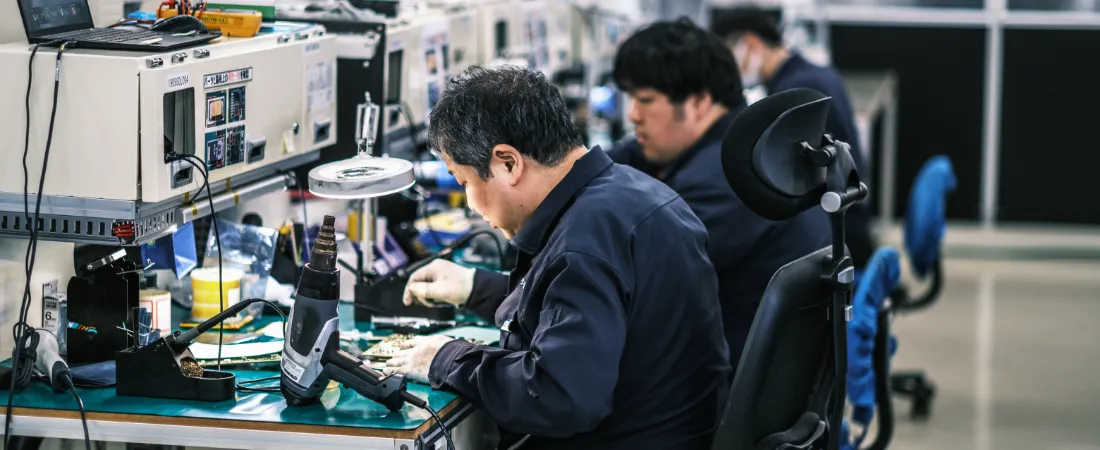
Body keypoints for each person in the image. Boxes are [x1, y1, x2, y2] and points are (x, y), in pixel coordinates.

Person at [384, 65, 731, 449]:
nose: (469, 203)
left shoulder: (584, 242)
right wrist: (476, 288)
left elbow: (558, 396)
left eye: (465, 182)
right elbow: (585, 313)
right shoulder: (632, 194)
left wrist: (446, 359)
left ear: (508, 163)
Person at [607, 18, 830, 366]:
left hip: (722, 376)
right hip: (762, 362)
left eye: (645, 99)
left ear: (699, 101)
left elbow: (631, 281)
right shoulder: (739, 146)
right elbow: (624, 157)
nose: (633, 115)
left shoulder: (720, 182)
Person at [712, 6, 876, 268]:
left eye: (729, 55)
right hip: (848, 219)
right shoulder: (816, 73)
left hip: (835, 236)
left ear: (750, 44)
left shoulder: (793, 90)